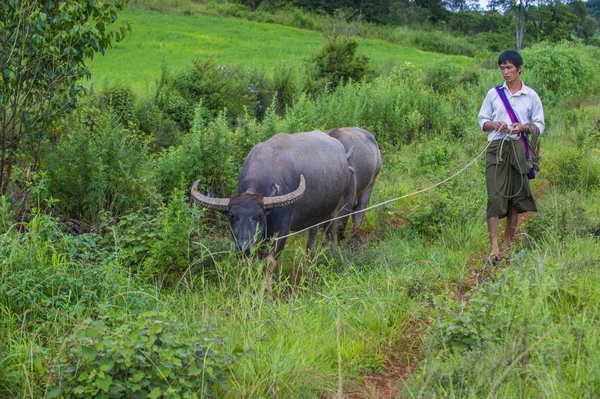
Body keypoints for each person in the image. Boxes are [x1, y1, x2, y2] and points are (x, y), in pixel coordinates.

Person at [478, 49, 545, 265]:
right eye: (502, 68)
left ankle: (507, 246)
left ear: (519, 69)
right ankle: (494, 247)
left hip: (519, 149)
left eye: (509, 68)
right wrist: (493, 124)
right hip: (496, 149)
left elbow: (539, 125)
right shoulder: (493, 94)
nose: (505, 72)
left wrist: (522, 127)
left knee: (515, 199)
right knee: (495, 196)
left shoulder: (531, 95)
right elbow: (482, 120)